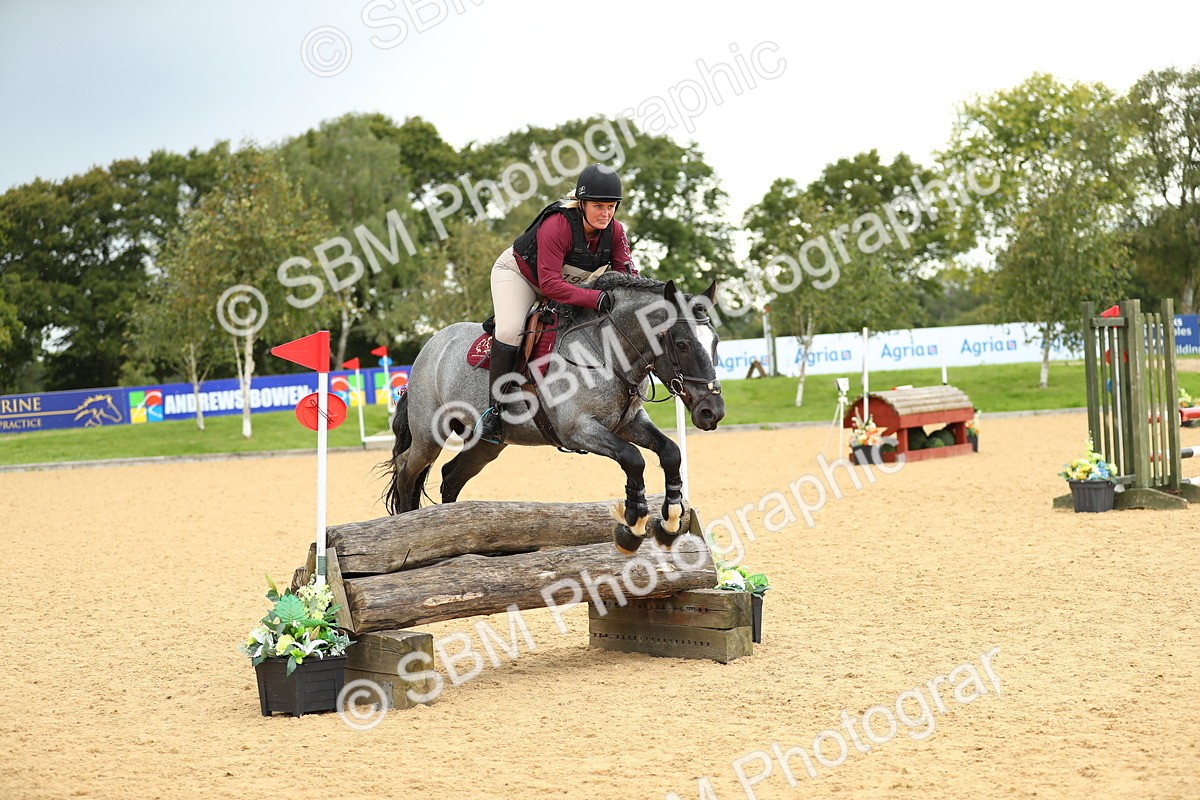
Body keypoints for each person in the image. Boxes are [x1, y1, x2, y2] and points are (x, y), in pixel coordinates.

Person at [478, 163, 638, 444]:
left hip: (565, 284)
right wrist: (596, 297)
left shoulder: (616, 232)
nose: (606, 213)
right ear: (582, 203)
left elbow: (627, 276)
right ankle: (495, 412)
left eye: (611, 206)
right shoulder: (558, 224)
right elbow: (549, 285)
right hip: (521, 276)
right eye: (598, 206)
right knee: (509, 331)